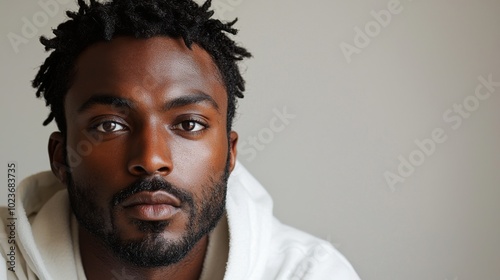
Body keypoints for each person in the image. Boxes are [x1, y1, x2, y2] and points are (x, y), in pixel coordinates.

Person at [0, 0, 361, 279]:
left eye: (189, 124)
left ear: (229, 154)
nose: (153, 158)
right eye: (109, 125)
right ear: (61, 159)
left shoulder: (309, 273)